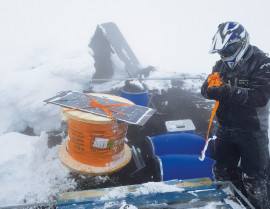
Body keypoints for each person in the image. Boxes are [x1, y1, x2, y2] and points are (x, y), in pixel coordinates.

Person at [201, 21, 270, 208]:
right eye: (221, 52)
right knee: (223, 173)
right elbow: (207, 86)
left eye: (228, 50)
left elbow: (260, 97)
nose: (225, 56)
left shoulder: (262, 63)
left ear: (242, 43)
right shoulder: (220, 65)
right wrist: (209, 90)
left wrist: (226, 92)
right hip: (225, 128)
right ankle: (233, 204)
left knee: (255, 180)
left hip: (253, 131)